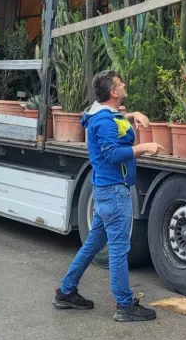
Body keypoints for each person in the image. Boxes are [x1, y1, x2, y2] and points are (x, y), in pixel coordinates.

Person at [53, 70, 164, 321]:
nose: (124, 85)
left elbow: (114, 122)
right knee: (118, 249)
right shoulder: (103, 121)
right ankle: (125, 305)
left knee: (93, 244)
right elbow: (112, 154)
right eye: (120, 84)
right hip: (114, 192)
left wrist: (132, 114)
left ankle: (66, 291)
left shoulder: (103, 115)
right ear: (113, 92)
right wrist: (143, 148)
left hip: (106, 191)